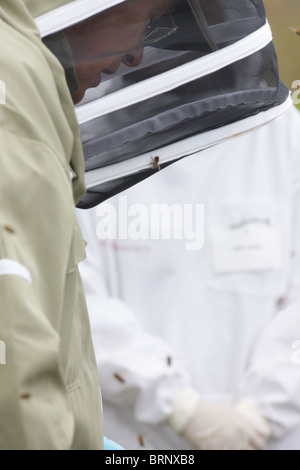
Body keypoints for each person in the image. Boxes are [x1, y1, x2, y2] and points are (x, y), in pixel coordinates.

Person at [76, 102, 300, 450]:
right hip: (130, 439)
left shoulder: (285, 135)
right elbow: (77, 300)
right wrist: (180, 407)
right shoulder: (89, 142)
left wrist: (261, 415)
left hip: (268, 437)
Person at [0, 0, 167, 450]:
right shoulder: (12, 107)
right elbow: (11, 370)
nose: (137, 55)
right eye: (147, 18)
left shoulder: (22, 84)